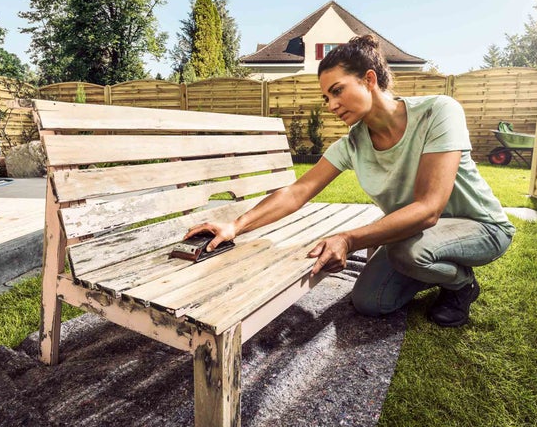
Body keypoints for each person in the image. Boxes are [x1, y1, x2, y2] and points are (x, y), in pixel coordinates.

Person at [185, 35, 515, 327]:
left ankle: (460, 284)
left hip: (479, 227)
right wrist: (235, 226)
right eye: (326, 98)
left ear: (369, 79)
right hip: (415, 235)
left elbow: (429, 209)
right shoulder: (352, 144)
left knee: (407, 254)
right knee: (370, 301)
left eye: (337, 91)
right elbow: (299, 190)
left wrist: (348, 239)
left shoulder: (438, 112)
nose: (331, 105)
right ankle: (431, 268)